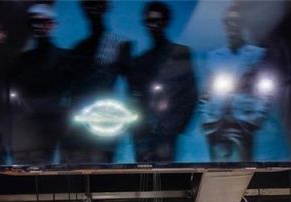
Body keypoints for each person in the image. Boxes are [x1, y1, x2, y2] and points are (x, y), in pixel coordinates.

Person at [199, 4, 273, 163]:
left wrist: (256, 118)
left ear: (242, 24)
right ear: (224, 25)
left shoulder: (257, 54)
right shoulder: (213, 56)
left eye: (236, 21)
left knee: (242, 164)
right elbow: (205, 93)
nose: (231, 25)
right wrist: (206, 118)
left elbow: (265, 91)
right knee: (216, 169)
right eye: (228, 21)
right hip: (215, 123)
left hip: (243, 122)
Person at [126, 1, 198, 163]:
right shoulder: (139, 61)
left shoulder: (180, 53)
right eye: (149, 21)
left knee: (165, 172)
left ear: (165, 22)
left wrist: (174, 126)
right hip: (143, 132)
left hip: (167, 132)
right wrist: (135, 128)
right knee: (142, 173)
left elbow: (190, 93)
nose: (153, 25)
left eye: (157, 20)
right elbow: (133, 97)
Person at [62, 0, 132, 164]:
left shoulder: (119, 45)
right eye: (89, 5)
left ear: (105, 7)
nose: (93, 9)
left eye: (97, 4)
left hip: (104, 124)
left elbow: (132, 87)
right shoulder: (78, 48)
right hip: (78, 127)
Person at [6, 4, 71, 166]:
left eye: (44, 22)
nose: (39, 26)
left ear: (52, 24)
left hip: (55, 121)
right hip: (28, 125)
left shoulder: (66, 58)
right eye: (35, 22)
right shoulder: (20, 61)